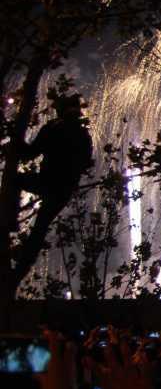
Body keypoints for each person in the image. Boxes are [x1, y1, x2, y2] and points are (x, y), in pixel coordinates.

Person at [18, 93, 93, 263]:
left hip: (46, 182)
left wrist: (17, 144)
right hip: (64, 190)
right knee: (40, 227)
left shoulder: (52, 128)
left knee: (16, 180)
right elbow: (86, 163)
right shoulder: (84, 135)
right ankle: (25, 261)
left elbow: (31, 153)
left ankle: (10, 219)